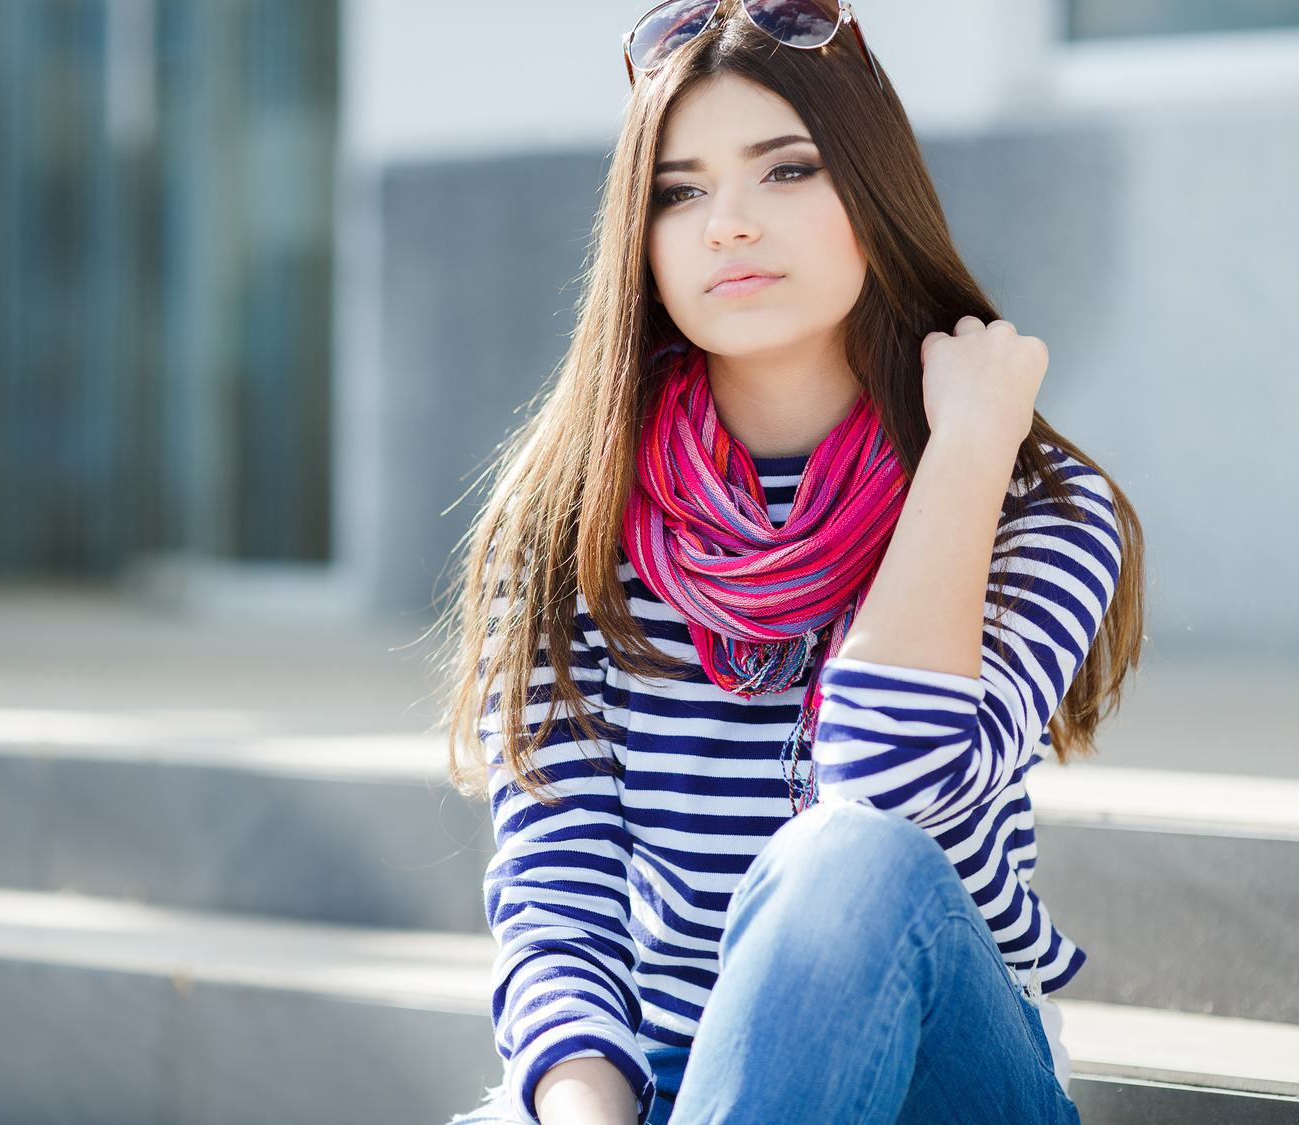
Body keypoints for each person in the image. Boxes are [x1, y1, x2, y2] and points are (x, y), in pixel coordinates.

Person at [440, 2, 1146, 1123]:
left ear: (871, 193)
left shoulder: (1029, 509)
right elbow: (556, 902)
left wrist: (962, 453)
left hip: (936, 1078)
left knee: (847, 862)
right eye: (678, 190)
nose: (725, 223)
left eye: (784, 171)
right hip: (663, 1085)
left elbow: (886, 789)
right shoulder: (567, 521)